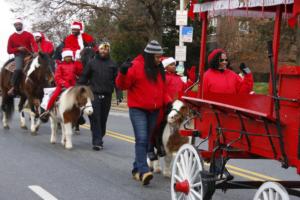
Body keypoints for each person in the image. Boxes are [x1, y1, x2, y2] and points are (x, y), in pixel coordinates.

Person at [116, 40, 172, 186]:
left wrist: (168, 101)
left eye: (161, 56)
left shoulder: (158, 68)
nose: (160, 59)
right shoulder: (136, 66)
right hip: (138, 109)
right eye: (157, 57)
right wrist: (122, 72)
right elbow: (122, 85)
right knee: (141, 139)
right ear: (149, 56)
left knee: (146, 139)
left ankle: (136, 169)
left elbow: (162, 90)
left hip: (154, 110)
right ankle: (143, 170)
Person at [77, 42, 122, 151]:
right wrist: (77, 88)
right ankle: (97, 142)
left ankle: (99, 136)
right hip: (94, 95)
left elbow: (117, 81)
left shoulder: (113, 64)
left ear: (108, 51)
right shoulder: (91, 63)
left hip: (107, 95)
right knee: (95, 118)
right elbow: (84, 77)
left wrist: (119, 93)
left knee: (103, 119)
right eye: (102, 49)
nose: (103, 51)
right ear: (98, 50)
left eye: (106, 50)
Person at [147, 57, 186, 161]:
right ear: (165, 66)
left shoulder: (179, 78)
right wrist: (168, 102)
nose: (174, 66)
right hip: (165, 107)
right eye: (171, 64)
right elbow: (162, 91)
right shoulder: (163, 77)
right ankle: (158, 146)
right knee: (159, 128)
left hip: (177, 107)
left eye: (174, 64)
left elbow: (184, 90)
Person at [40, 48, 83, 121]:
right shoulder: (60, 66)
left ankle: (80, 114)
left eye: (69, 56)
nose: (68, 58)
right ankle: (47, 110)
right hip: (61, 85)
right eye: (67, 57)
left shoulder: (74, 65)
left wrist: (78, 62)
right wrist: (63, 83)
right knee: (54, 96)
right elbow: (57, 77)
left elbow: (79, 72)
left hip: (72, 85)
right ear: (63, 57)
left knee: (80, 97)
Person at [7, 18, 38, 96]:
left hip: (29, 54)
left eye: (19, 24)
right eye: (16, 25)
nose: (18, 26)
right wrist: (18, 48)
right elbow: (9, 50)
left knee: (40, 65)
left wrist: (36, 52)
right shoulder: (12, 37)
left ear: (22, 25)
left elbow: (34, 44)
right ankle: (13, 87)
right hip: (18, 55)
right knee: (18, 69)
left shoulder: (28, 34)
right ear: (14, 26)